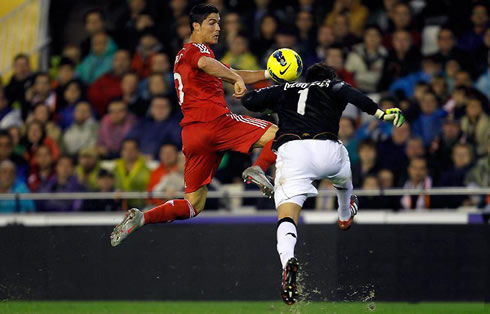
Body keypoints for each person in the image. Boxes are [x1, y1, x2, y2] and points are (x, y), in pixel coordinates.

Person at [110, 4, 278, 246]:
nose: (218, 28)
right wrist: (235, 79)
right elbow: (209, 65)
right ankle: (259, 169)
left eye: (219, 23)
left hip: (192, 135)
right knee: (280, 132)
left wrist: (269, 73)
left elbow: (228, 70)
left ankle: (143, 217)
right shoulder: (196, 50)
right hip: (215, 122)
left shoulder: (191, 57)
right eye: (212, 22)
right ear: (195, 27)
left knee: (192, 205)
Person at [239, 63, 404, 304]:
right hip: (327, 147)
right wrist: (381, 113)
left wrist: (246, 89)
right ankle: (345, 213)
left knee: (286, 216)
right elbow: (354, 96)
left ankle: (288, 261)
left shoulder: (286, 89)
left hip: (292, 151)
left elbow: (251, 101)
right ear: (330, 77)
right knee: (344, 174)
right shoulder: (333, 85)